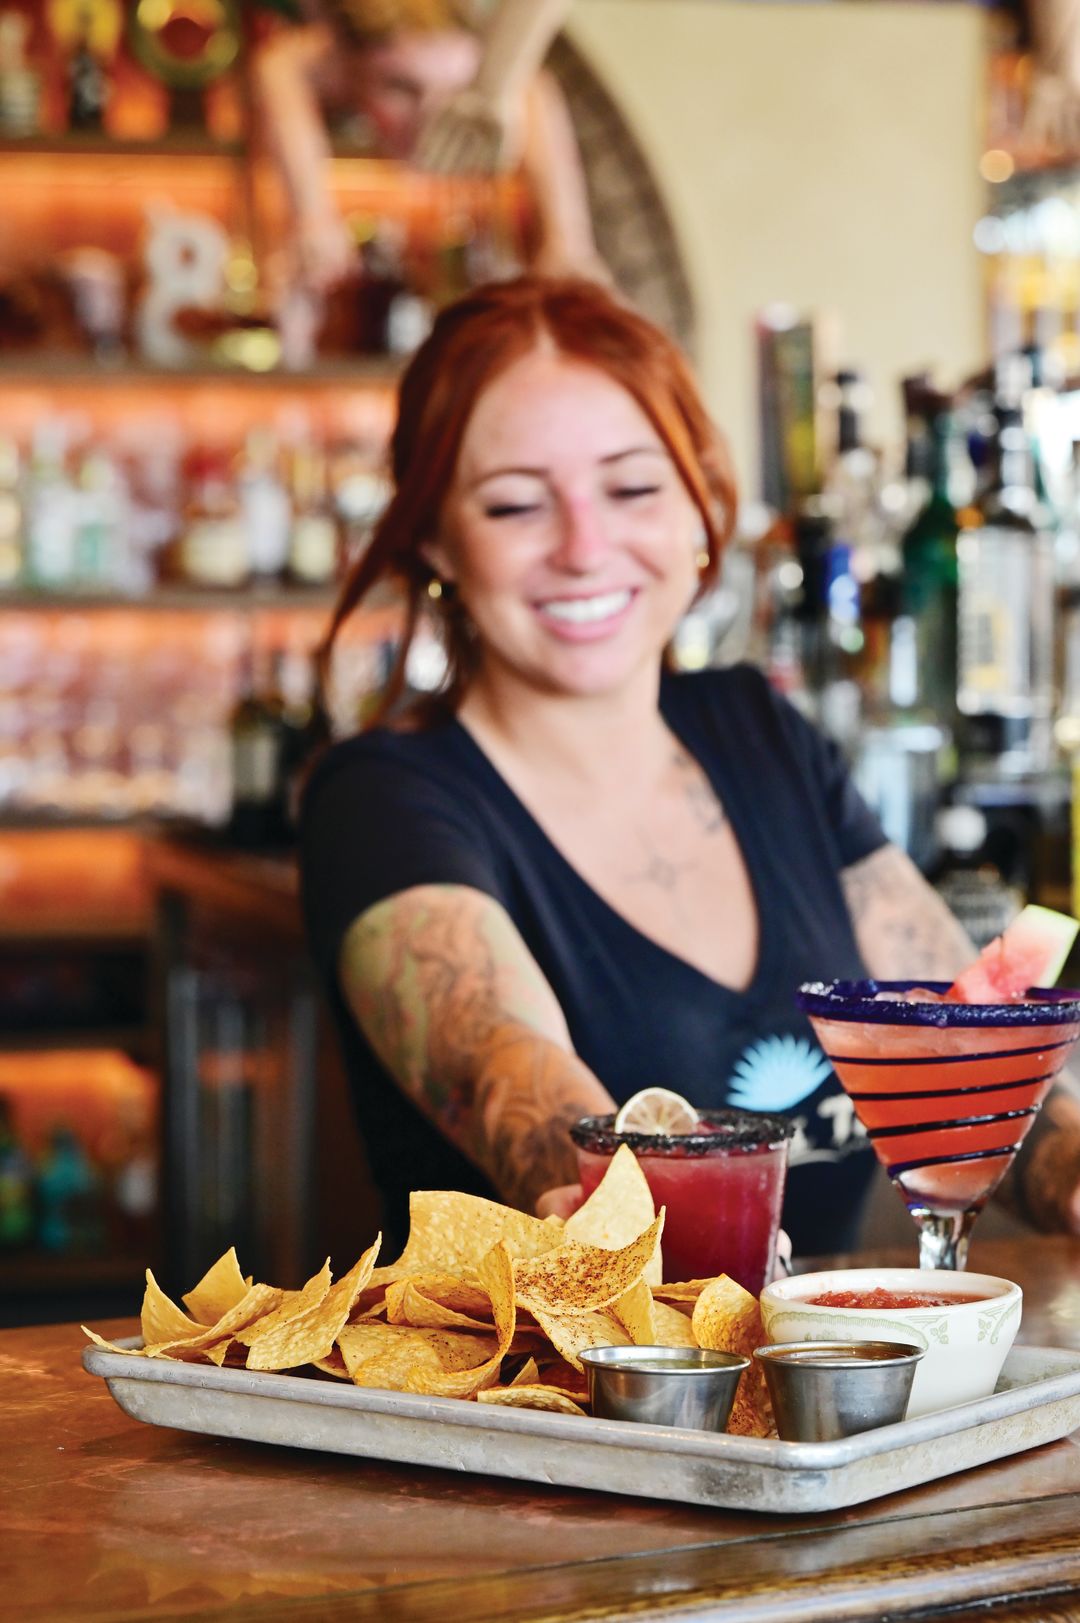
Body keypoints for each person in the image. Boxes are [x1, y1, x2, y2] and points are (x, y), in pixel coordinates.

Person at [299, 274, 1080, 1260]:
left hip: (828, 1390)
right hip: (562, 1402)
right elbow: (501, 1060)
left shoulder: (761, 732)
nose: (586, 548)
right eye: (513, 507)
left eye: (632, 488)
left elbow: (957, 1054)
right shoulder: (381, 801)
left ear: (699, 509)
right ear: (430, 537)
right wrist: (620, 1212)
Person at [252, 0, 600, 300]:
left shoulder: (494, 71)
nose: (431, 118)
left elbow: (532, 85)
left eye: (454, 91)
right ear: (344, 69)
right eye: (402, 88)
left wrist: (566, 241)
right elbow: (279, 64)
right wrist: (312, 218)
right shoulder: (323, 49)